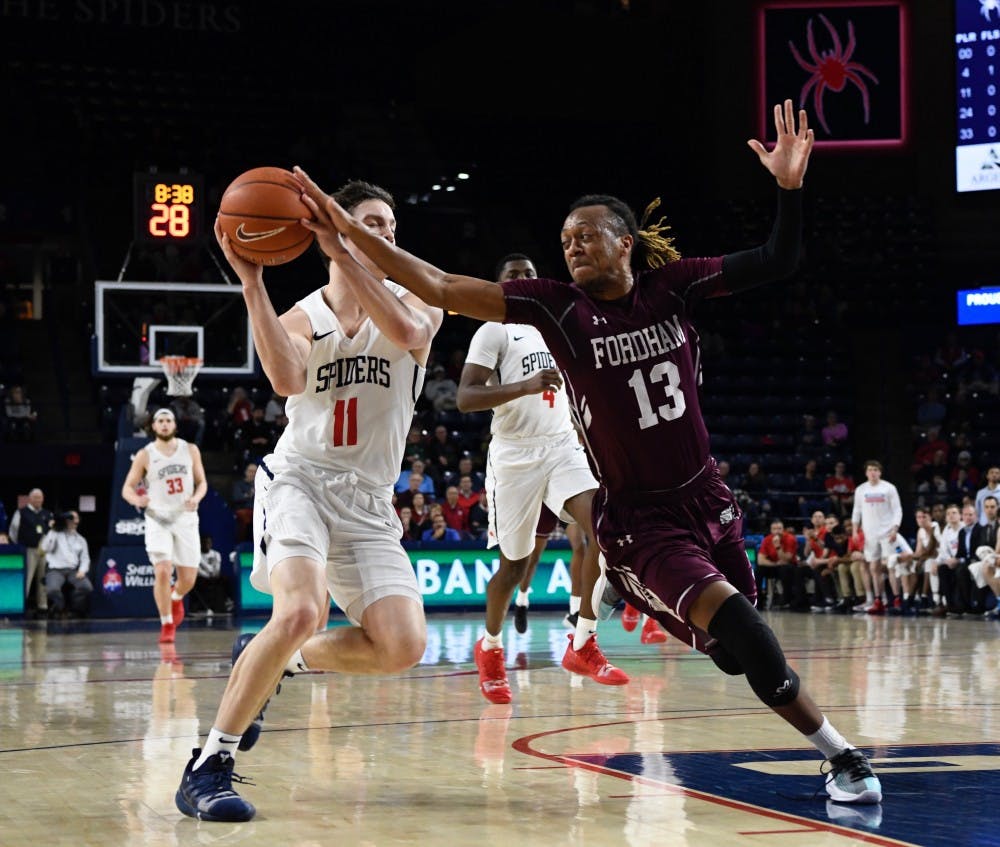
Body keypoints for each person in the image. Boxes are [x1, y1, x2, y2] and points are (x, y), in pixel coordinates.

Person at [294, 101, 882, 804]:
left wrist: (788, 188)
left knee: (732, 655)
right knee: (749, 636)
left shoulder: (675, 284)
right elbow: (444, 287)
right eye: (565, 238)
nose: (571, 246)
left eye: (586, 236)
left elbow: (779, 259)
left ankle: (645, 602)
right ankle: (841, 755)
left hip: (708, 497)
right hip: (639, 519)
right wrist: (352, 238)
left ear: (626, 241)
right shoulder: (556, 309)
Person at [174, 179, 442, 823]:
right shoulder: (305, 314)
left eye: (390, 226)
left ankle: (276, 661)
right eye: (369, 222)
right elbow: (287, 376)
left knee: (402, 645)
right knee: (300, 609)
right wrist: (251, 283)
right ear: (330, 226)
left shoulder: (420, 298)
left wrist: (349, 246)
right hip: (300, 480)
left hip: (370, 500)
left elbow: (404, 329)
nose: (384, 235)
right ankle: (208, 764)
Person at [456, 252, 626, 702]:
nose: (524, 280)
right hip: (514, 458)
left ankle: (583, 641)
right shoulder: (493, 329)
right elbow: (466, 397)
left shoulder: (557, 324)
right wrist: (526, 386)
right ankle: (490, 647)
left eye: (530, 274)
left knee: (605, 530)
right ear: (500, 285)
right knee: (514, 566)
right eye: (513, 274)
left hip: (563, 447)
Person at [121, 408, 207, 644]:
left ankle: (176, 597)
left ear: (175, 425)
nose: (165, 424)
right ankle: (167, 622)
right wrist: (136, 499)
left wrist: (196, 498)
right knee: (162, 570)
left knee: (188, 579)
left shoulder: (190, 450)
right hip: (158, 518)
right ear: (154, 426)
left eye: (169, 420)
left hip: (185, 516)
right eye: (160, 420)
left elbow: (202, 483)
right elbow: (127, 488)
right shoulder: (145, 454)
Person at [850, 460, 902, 615]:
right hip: (869, 534)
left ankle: (897, 599)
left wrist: (895, 528)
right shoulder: (861, 490)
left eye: (875, 470)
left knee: (890, 565)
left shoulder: (889, 488)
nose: (873, 472)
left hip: (887, 532)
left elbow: (897, 510)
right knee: (873, 567)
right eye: (870, 470)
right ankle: (878, 600)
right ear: (866, 473)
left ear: (880, 472)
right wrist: (854, 531)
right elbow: (856, 511)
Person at [8, 488, 53, 617]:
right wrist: (20, 546)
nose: (38, 500)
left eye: (40, 497)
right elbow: (13, 531)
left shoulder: (47, 514)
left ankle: (42, 606)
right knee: (26, 578)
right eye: (35, 497)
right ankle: (22, 604)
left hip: (44, 551)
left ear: (43, 499)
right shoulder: (21, 512)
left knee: (43, 579)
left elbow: (52, 532)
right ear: (30, 499)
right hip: (28, 550)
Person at [40, 510, 93, 617]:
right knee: (52, 590)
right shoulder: (55, 534)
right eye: (70, 519)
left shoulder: (81, 540)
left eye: (75, 519)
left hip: (73, 571)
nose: (72, 521)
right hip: (55, 570)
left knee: (86, 587)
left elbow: (85, 559)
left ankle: (72, 608)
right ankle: (60, 607)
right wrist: (53, 530)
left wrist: (82, 571)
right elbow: (45, 548)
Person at [190, 535, 232, 615]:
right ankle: (198, 607)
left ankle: (228, 601)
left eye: (208, 543)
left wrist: (214, 574)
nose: (206, 544)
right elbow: (198, 570)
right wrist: (208, 575)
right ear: (200, 544)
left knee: (225, 579)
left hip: (214, 577)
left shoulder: (216, 554)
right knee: (195, 581)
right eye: (204, 543)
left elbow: (217, 568)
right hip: (203, 578)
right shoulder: (196, 555)